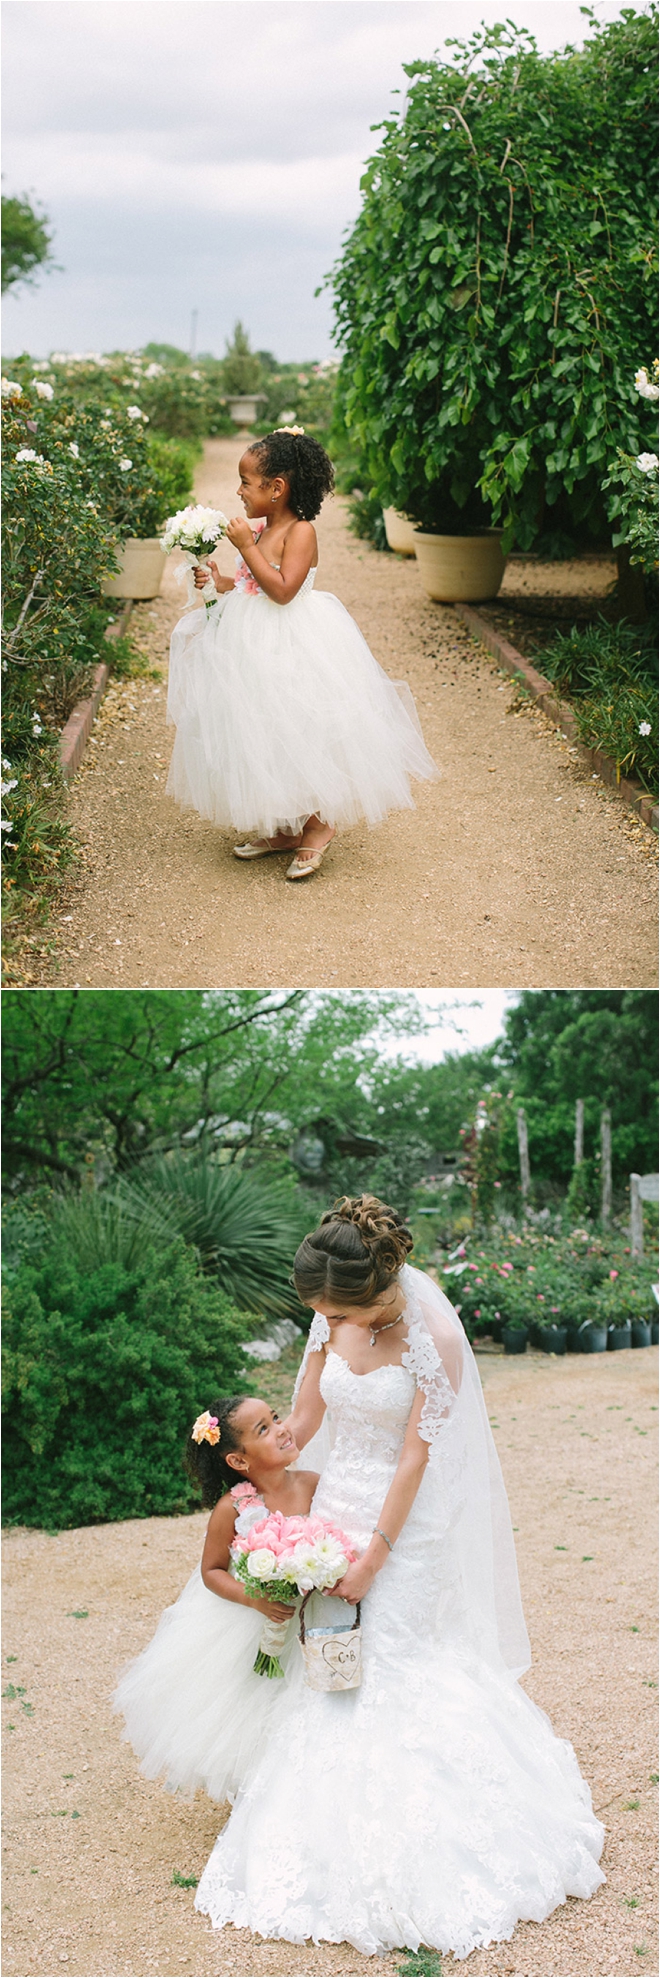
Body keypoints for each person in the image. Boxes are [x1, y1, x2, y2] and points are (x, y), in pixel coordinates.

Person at [194, 1195, 605, 1961]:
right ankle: (321, 1834)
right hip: (336, 1506)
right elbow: (306, 1420)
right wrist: (276, 1514)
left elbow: (415, 1456)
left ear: (371, 1290)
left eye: (328, 1309)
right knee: (333, 1665)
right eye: (315, 1309)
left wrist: (374, 1555)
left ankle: (441, 1843)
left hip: (404, 1525)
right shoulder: (329, 1317)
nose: (321, 1318)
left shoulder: (435, 1335)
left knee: (399, 1661)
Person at [165, 429, 437, 878]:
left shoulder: (301, 532)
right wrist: (219, 581)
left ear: (277, 489)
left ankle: (317, 825)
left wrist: (247, 548)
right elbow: (252, 585)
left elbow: (284, 591)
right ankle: (286, 825)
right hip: (252, 644)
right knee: (266, 728)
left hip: (293, 642)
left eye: (246, 482)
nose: (238, 490)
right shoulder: (262, 528)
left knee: (304, 727)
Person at [113, 1396, 318, 1804]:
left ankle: (303, 1784)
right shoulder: (233, 1509)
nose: (281, 1428)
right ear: (239, 1462)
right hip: (254, 1623)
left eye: (275, 1418)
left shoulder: (314, 1484)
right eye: (263, 1429)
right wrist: (255, 1599)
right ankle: (260, 1793)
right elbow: (212, 1571)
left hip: (311, 1617)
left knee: (303, 1700)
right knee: (257, 1703)